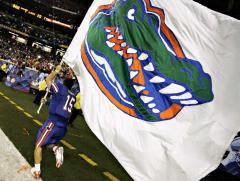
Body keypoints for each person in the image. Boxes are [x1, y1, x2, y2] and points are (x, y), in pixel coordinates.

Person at [31, 65, 76, 178]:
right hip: (63, 127)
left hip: (53, 123)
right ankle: (56, 149)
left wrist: (55, 71)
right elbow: (61, 104)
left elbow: (48, 80)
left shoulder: (61, 88)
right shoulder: (73, 96)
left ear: (64, 81)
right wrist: (47, 101)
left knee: (38, 145)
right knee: (48, 144)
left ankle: (37, 171)